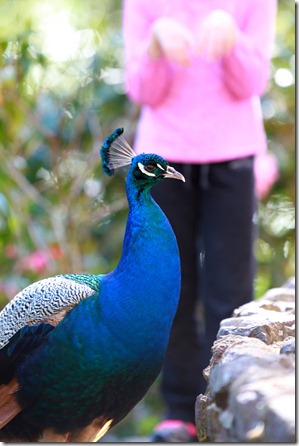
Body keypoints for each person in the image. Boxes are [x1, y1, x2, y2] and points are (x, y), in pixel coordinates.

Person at [122, 0, 278, 442]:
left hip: (233, 156)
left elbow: (253, 82)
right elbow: (141, 90)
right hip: (163, 157)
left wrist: (232, 39)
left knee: (230, 288)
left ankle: (226, 402)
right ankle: (179, 410)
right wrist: (154, 46)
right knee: (170, 285)